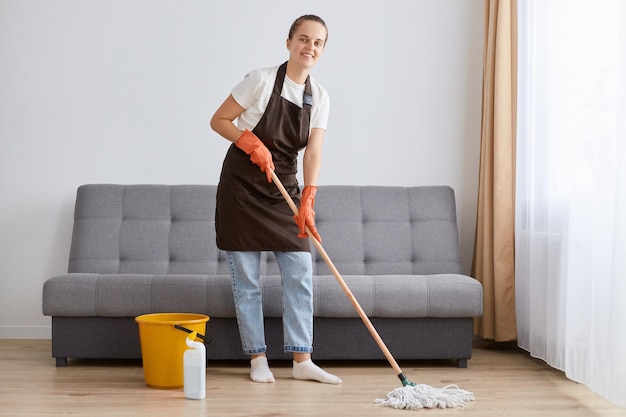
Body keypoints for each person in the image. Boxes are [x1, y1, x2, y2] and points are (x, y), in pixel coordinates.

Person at [209, 15, 341, 385]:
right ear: (288, 43)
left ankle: (302, 360)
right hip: (241, 188)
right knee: (247, 280)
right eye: (303, 39)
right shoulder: (261, 79)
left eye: (317, 43)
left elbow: (313, 152)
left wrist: (309, 197)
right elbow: (219, 120)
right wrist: (249, 142)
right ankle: (257, 359)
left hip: (283, 184)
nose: (309, 47)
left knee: (299, 273)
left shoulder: (321, 97)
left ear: (322, 50)